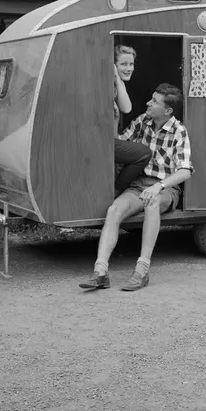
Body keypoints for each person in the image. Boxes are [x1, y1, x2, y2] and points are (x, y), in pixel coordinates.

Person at [80, 83, 193, 292]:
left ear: (167, 110)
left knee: (152, 202)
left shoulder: (179, 131)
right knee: (114, 210)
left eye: (155, 101)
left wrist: (158, 186)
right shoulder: (143, 121)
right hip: (138, 185)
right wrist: (115, 121)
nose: (148, 103)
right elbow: (119, 144)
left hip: (165, 189)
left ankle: (142, 271)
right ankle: (100, 272)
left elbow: (185, 171)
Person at [113, 45, 152, 195]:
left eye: (131, 64)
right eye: (123, 64)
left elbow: (126, 107)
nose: (129, 68)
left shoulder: (117, 83)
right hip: (104, 141)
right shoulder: (112, 82)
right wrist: (117, 78)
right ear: (113, 66)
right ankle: (117, 190)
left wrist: (118, 79)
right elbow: (126, 109)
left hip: (112, 138)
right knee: (144, 153)